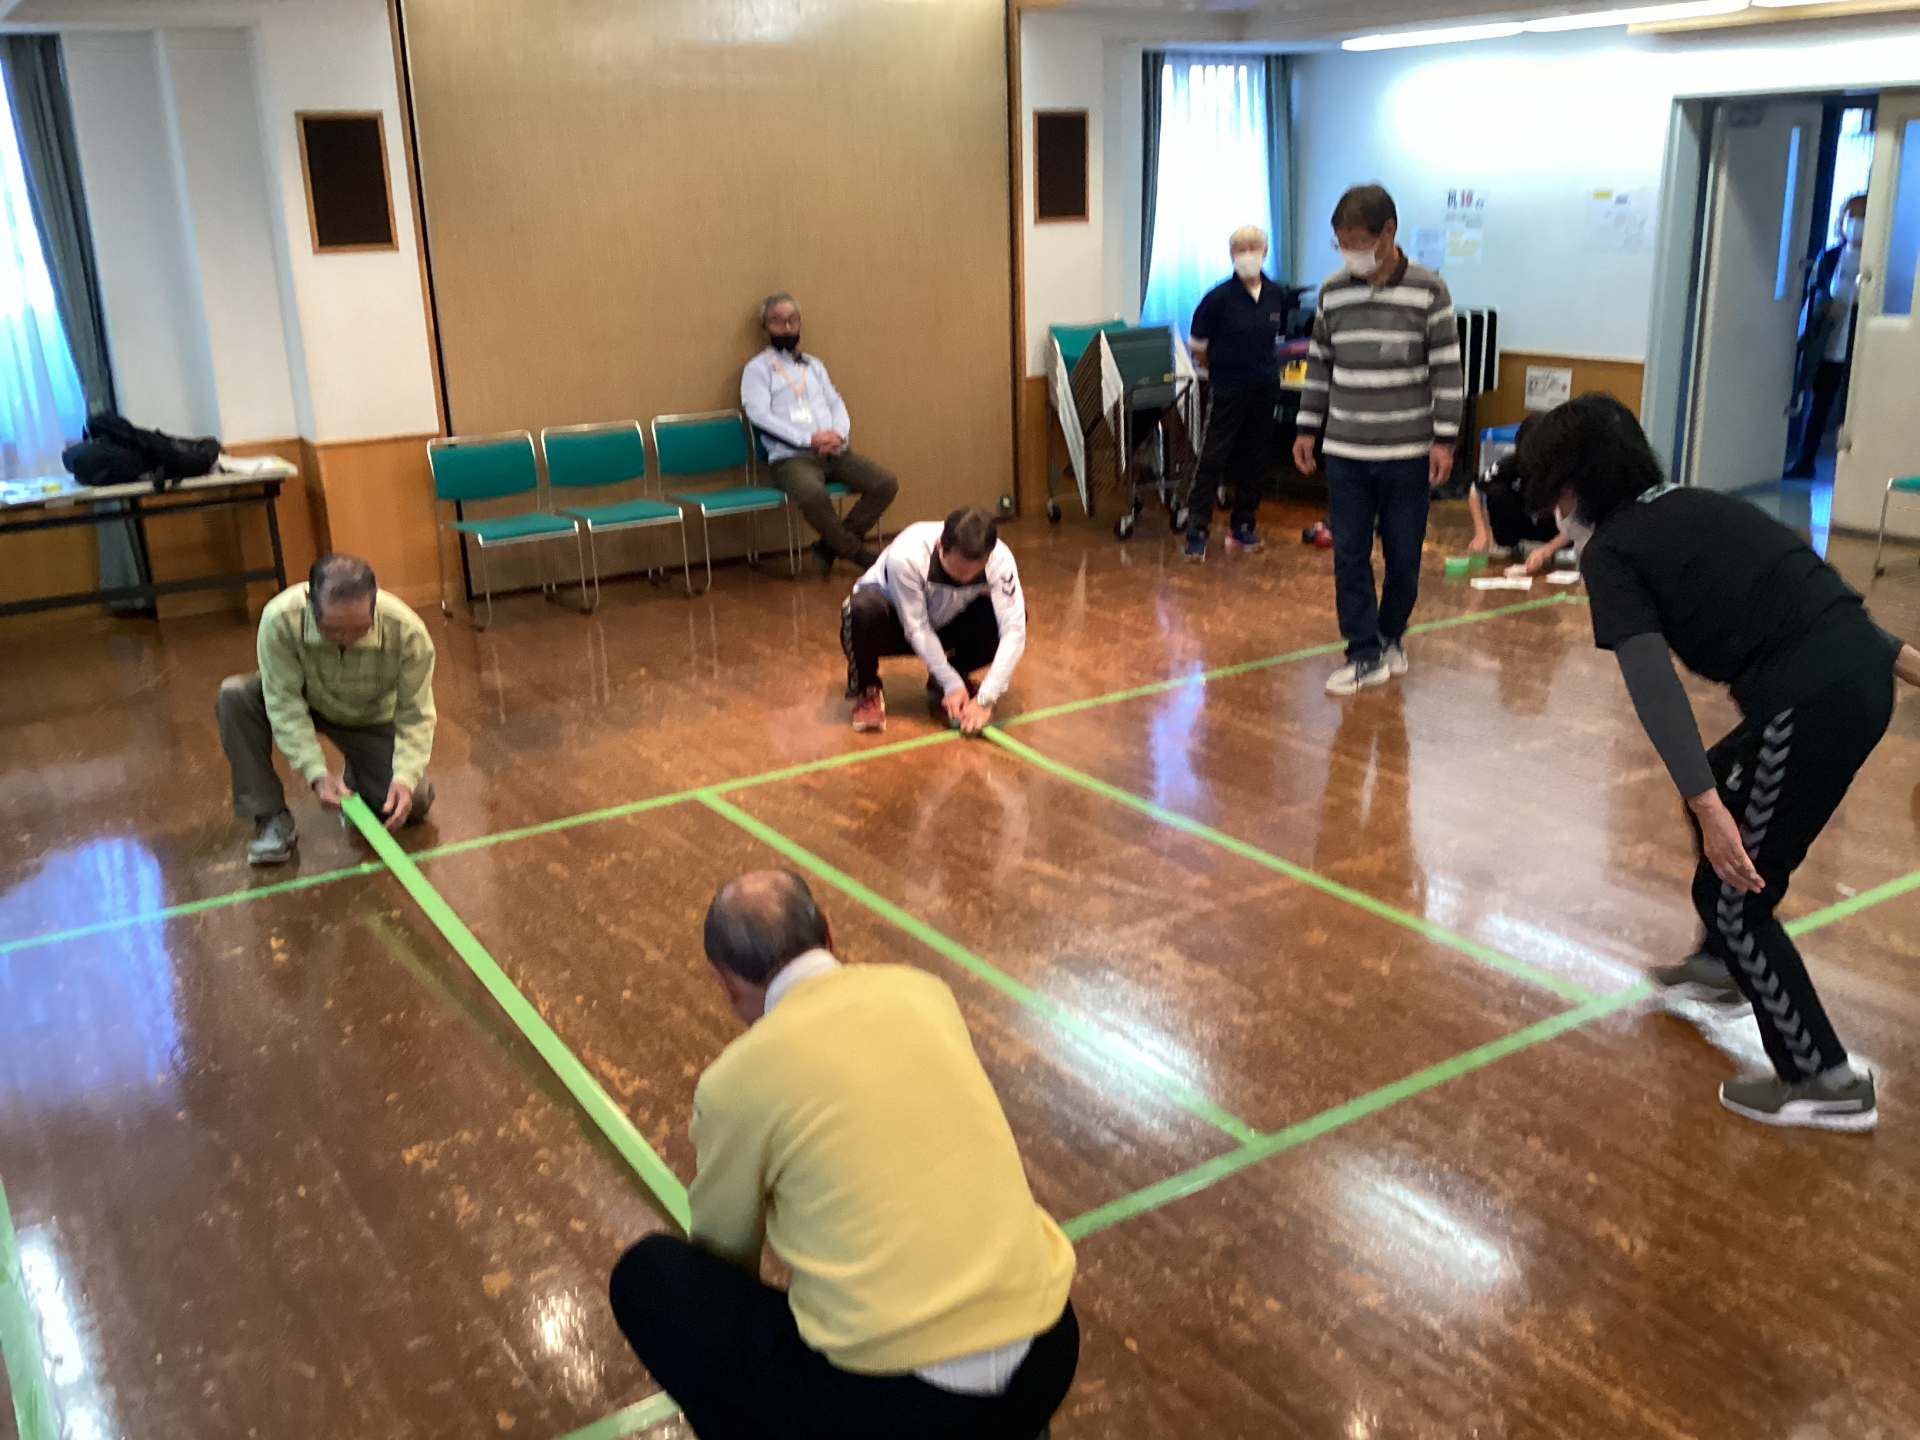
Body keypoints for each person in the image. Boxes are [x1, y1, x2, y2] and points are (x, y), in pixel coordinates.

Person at [1519, 394, 1920, 1131]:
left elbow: (1655, 688)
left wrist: (1711, 810)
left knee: (1736, 894)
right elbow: (1811, 592)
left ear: (1569, 485)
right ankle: (1720, 967)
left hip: (1813, 705)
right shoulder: (1685, 502)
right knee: (1720, 788)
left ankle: (1822, 1077)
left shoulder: (1611, 552)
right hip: (1854, 677)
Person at [608, 869, 1079, 1440]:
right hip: (1048, 1351)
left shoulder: (734, 1082)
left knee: (648, 1278)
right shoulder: (925, 992)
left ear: (725, 982)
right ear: (828, 935)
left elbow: (723, 1255)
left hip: (900, 1406)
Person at [1293, 184, 1463, 697]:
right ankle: (1362, 652)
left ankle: (1391, 635)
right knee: (1349, 554)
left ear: (1388, 232)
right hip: (1346, 450)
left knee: (1404, 558)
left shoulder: (1429, 291)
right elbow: (1319, 364)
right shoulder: (1332, 292)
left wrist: (1445, 439)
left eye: (1359, 243)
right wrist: (1307, 427)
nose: (1350, 254)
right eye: (1341, 244)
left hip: (1406, 453)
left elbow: (1447, 369)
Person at [215, 553, 436, 865]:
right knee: (235, 695)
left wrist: (406, 777)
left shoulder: (407, 631)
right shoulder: (279, 619)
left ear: (375, 599)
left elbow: (416, 714)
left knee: (416, 801)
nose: (347, 638)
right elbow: (284, 703)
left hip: (369, 718)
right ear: (310, 602)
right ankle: (270, 818)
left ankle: (358, 775)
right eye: (332, 629)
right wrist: (316, 773)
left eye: (360, 628)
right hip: (306, 701)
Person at [742, 293, 898, 576]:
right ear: (765, 328)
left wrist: (838, 434)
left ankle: (829, 547)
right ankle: (856, 553)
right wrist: (806, 440)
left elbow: (835, 401)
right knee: (813, 495)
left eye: (792, 320)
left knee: (884, 483)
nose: (787, 327)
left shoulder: (814, 365)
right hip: (792, 458)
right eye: (778, 321)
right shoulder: (757, 369)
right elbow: (759, 416)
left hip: (834, 451)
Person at [842, 506, 1025, 736]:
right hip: (897, 625)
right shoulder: (907, 554)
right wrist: (951, 682)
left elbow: (1013, 629)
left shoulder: (1000, 560)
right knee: (862, 609)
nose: (964, 579)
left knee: (998, 621)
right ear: (940, 545)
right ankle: (867, 688)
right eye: (956, 571)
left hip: (945, 623)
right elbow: (916, 628)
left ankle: (952, 675)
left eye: (973, 572)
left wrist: (986, 697)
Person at [1183, 224, 1289, 562]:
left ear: (1265, 252)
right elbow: (1197, 347)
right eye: (1240, 249)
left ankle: (1243, 525)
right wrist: (1221, 370)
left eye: (1253, 248)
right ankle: (1197, 529)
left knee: (1255, 458)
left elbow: (1277, 338)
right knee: (1214, 456)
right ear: (1232, 255)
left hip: (1264, 387)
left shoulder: (1276, 294)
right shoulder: (1217, 299)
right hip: (1228, 389)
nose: (1247, 255)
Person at [1787, 193, 1867, 480]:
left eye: (1862, 217)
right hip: (1829, 343)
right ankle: (1804, 462)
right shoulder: (1832, 255)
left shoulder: (1876, 262)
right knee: (1818, 405)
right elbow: (1817, 289)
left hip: (1860, 347)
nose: (1855, 224)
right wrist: (1825, 304)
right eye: (1851, 217)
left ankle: (1854, 473)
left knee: (1854, 409)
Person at [1469, 415, 1573, 573]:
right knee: (1497, 492)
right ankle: (1509, 545)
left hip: (1553, 528)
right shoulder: (1511, 463)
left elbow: (1577, 519)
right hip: (1524, 521)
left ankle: (1557, 549)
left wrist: (1548, 549)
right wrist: (1481, 531)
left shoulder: (1564, 472)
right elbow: (1475, 490)